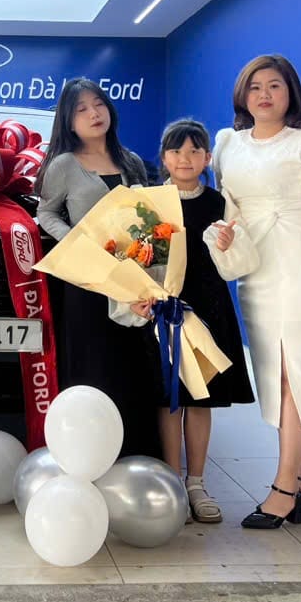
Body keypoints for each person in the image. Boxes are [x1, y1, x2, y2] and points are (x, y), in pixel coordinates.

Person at [211, 54, 301, 529]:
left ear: (291, 92)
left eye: (274, 85)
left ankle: (284, 487)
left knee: (294, 369)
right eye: (255, 87)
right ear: (242, 95)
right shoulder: (226, 143)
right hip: (255, 265)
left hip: (298, 259)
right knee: (273, 370)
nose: (264, 95)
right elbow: (227, 208)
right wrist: (222, 238)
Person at [127, 119, 256, 523]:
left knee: (201, 399)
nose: (185, 159)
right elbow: (133, 257)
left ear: (207, 158)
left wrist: (228, 246)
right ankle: (171, 481)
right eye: (176, 151)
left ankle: (196, 483)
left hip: (209, 309)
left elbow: (237, 262)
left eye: (194, 151)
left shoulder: (220, 203)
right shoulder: (147, 202)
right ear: (163, 158)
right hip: (163, 311)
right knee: (169, 398)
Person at [36, 78, 160, 458]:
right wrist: (76, 241)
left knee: (130, 363)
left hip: (130, 280)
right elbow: (45, 213)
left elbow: (148, 216)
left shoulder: (131, 161)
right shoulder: (63, 165)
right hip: (87, 281)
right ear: (69, 121)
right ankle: (87, 452)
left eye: (99, 104)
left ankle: (133, 451)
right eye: (82, 109)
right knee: (92, 362)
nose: (94, 113)